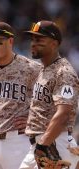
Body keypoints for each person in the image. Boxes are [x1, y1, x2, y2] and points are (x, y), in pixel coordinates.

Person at [0, 21, 41, 169]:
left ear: (10, 41)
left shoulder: (32, 68)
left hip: (17, 141)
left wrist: (35, 119)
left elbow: (55, 101)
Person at [20, 20, 79, 169]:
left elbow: (64, 114)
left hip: (53, 144)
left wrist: (43, 144)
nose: (33, 43)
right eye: (32, 39)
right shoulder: (45, 69)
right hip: (41, 143)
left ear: (54, 43)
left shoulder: (63, 72)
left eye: (39, 39)